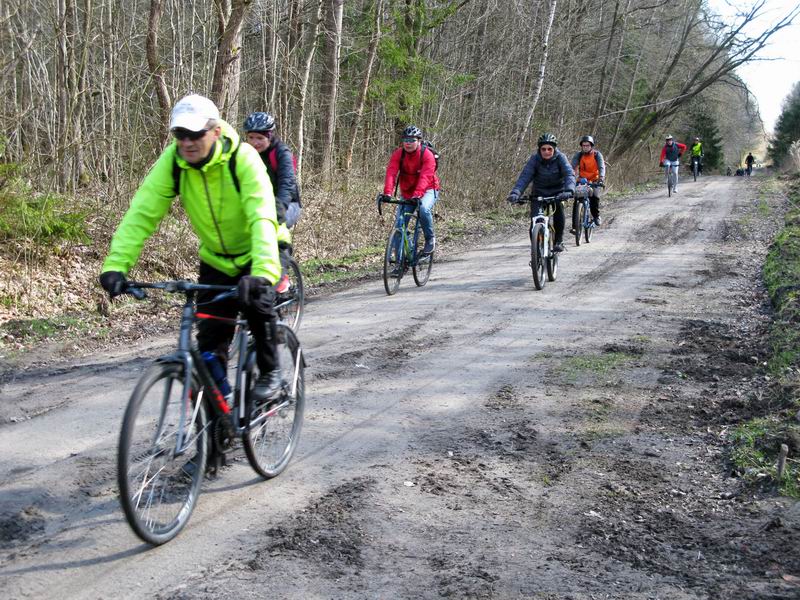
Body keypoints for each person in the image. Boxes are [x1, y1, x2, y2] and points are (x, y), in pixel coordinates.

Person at [99, 94, 283, 402]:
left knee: (258, 310)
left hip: (254, 255)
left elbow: (262, 215)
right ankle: (217, 429)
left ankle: (270, 372)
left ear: (215, 131)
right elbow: (141, 213)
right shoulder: (174, 162)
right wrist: (116, 265)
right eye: (180, 135)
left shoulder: (243, 159)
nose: (187, 142)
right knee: (210, 346)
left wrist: (264, 271)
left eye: (195, 134)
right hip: (214, 260)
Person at [242, 111, 301, 294]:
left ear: (270, 136)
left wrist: (281, 207)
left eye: (259, 138)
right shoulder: (245, 154)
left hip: (288, 204)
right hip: (258, 204)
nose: (254, 142)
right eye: (251, 137)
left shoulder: (281, 152)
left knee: (273, 230)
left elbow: (287, 182)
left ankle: (282, 276)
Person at [379, 125, 440, 269]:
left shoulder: (427, 155)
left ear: (419, 141)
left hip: (428, 189)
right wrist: (387, 192)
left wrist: (418, 195)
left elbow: (425, 177)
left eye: (412, 140)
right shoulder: (398, 154)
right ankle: (401, 263)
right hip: (407, 192)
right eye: (405, 140)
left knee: (424, 209)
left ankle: (430, 239)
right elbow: (391, 173)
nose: (408, 143)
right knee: (399, 227)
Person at [506, 133, 575, 253]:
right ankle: (536, 251)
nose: (546, 152)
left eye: (549, 149)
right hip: (539, 193)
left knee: (558, 211)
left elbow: (569, 174)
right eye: (543, 149)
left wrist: (569, 190)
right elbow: (525, 177)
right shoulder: (535, 159)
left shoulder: (561, 158)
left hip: (557, 192)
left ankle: (558, 241)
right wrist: (516, 192)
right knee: (534, 223)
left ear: (554, 149)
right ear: (539, 149)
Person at [570, 135, 605, 227]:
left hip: (594, 180)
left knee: (595, 197)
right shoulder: (579, 155)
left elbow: (601, 167)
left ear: (591, 146)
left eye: (587, 145)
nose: (585, 147)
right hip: (582, 181)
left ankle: (596, 216)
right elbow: (572, 167)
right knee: (577, 198)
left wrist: (601, 178)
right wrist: (569, 178)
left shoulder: (597, 155)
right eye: (583, 146)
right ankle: (575, 226)